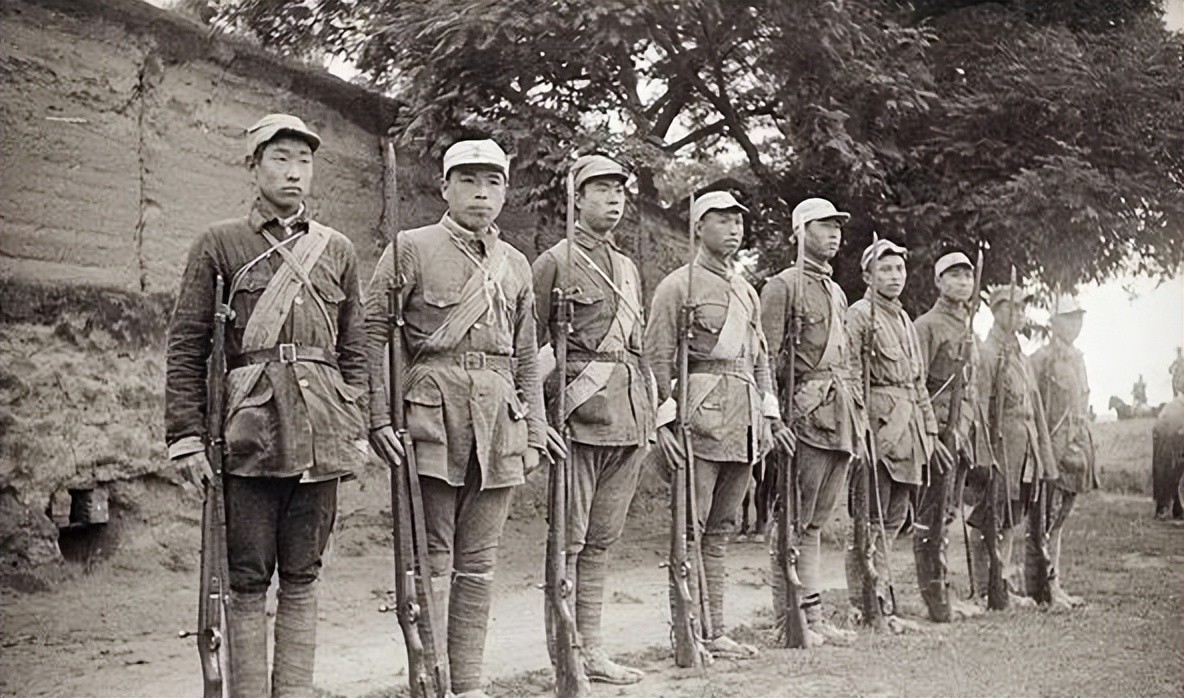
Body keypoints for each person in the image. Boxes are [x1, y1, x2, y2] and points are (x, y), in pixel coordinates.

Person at [166, 113, 370, 697]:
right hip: (249, 436)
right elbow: (187, 344)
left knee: (304, 572)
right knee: (247, 576)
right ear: (253, 167)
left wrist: (353, 424)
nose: (294, 172)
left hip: (321, 434)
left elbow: (354, 347)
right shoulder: (220, 243)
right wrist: (185, 437)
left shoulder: (337, 249)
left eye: (304, 161)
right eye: (280, 159)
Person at [364, 139, 558, 698]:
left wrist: (535, 430)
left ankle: (468, 683)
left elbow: (526, 355)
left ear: (505, 192)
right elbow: (374, 332)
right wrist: (379, 416)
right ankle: (433, 683)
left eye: (492, 182)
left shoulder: (515, 264)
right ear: (445, 187)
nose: (481, 193)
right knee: (432, 555)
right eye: (468, 180)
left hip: (499, 420)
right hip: (431, 414)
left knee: (479, 559)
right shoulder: (410, 248)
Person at [646, 190, 793, 660]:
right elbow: (656, 357)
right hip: (699, 420)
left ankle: (717, 631)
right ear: (698, 227)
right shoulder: (677, 286)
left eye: (738, 222)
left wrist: (769, 415)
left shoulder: (747, 291)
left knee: (721, 530)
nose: (733, 229)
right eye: (722, 220)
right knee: (689, 530)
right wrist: (664, 424)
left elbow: (760, 359)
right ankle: (688, 633)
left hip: (743, 423)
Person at [532, 154, 653, 684]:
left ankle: (595, 650)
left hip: (628, 418)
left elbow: (637, 348)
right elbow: (528, 348)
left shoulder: (626, 268)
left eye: (619, 190)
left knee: (601, 542)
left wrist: (650, 415)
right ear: (576, 199)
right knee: (569, 542)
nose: (613, 199)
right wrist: (536, 416)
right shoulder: (554, 262)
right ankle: (567, 655)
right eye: (601, 189)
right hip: (578, 418)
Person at [759, 197, 863, 646]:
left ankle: (814, 617)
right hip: (801, 417)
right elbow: (764, 357)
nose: (834, 233)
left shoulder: (836, 292)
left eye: (837, 226)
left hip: (838, 415)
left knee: (816, 523)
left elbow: (846, 361)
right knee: (793, 521)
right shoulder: (782, 287)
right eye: (823, 225)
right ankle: (789, 619)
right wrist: (773, 418)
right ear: (800, 232)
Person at [844, 239, 948, 629]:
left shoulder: (904, 319)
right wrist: (859, 427)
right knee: (867, 520)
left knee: (894, 518)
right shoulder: (859, 315)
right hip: (878, 429)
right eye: (885, 269)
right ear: (867, 276)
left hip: (908, 432)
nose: (894, 276)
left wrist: (930, 430)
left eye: (899, 269)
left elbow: (917, 383)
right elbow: (850, 374)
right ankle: (862, 604)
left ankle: (883, 598)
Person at [914, 251, 991, 620]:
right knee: (931, 515)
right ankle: (935, 599)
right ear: (938, 282)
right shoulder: (927, 326)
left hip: (961, 431)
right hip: (938, 431)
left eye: (967, 276)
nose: (963, 282)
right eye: (954, 276)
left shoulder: (969, 329)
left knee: (947, 513)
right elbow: (916, 384)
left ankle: (943, 590)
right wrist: (931, 435)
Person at [972, 284, 1058, 608]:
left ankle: (1002, 582)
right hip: (1001, 444)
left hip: (1025, 446)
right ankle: (985, 587)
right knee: (989, 516)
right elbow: (980, 405)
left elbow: (1035, 409)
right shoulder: (988, 352)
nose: (1019, 313)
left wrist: (1045, 457)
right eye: (1012, 307)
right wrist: (984, 454)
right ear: (995, 312)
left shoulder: (1020, 354)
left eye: (1022, 308)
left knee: (1011, 515)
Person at [1030, 294, 1096, 608]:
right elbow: (1037, 409)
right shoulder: (1041, 360)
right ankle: (1043, 588)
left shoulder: (1078, 359)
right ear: (1054, 323)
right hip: (1052, 450)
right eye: (1068, 318)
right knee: (1044, 520)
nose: (1075, 325)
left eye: (1078, 318)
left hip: (1076, 449)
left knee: (1059, 521)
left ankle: (1055, 585)